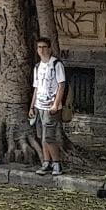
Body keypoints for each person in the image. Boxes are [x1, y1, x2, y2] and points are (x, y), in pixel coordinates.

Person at [29, 36, 67, 175]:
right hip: (39, 105)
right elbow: (36, 88)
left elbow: (61, 85)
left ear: (50, 49)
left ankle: (57, 163)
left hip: (50, 106)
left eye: (44, 47)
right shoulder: (37, 67)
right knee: (42, 136)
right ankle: (46, 162)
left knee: (49, 137)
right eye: (39, 47)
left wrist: (56, 104)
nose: (42, 50)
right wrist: (32, 106)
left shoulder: (56, 64)